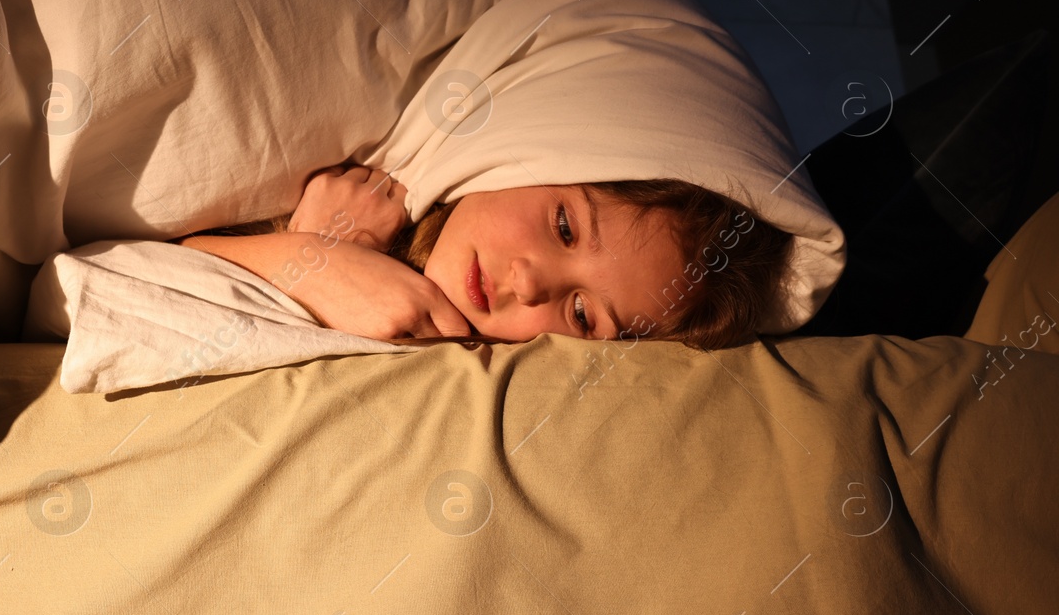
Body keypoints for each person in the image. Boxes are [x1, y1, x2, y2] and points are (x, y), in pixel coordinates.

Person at [179, 164, 794, 349]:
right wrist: (308, 257)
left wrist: (314, 265)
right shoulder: (364, 174)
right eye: (563, 226)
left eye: (582, 314)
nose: (527, 285)